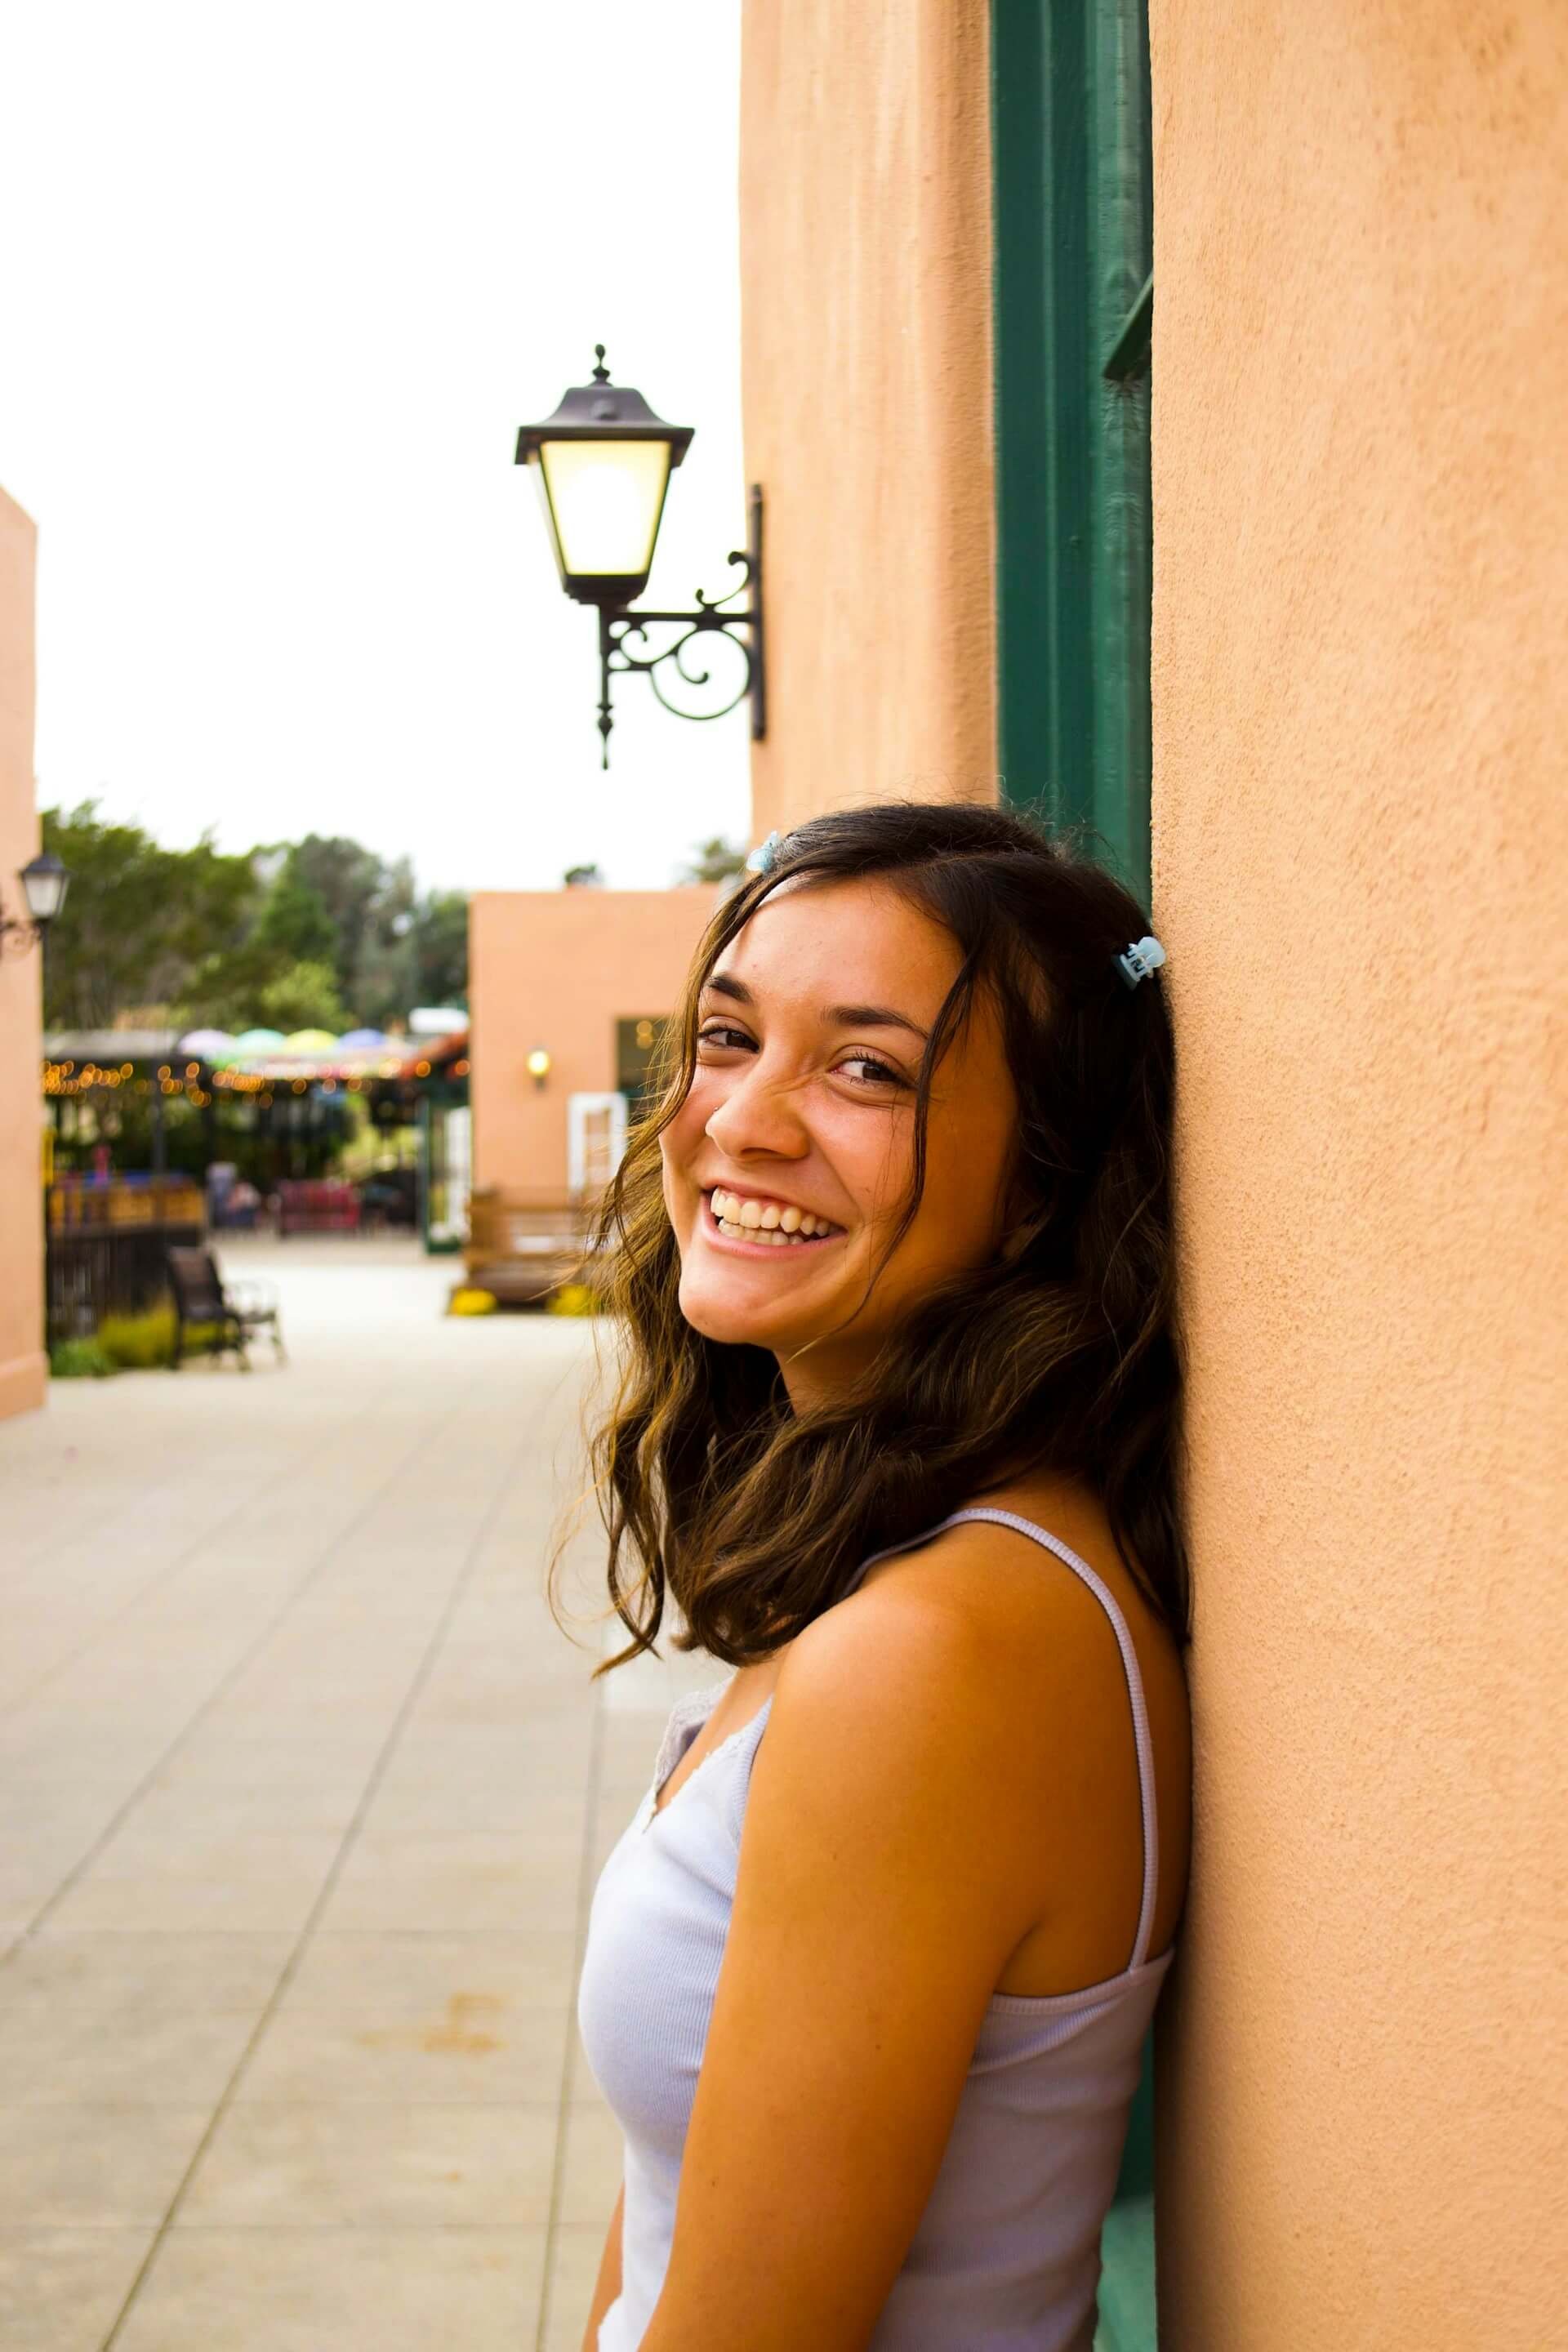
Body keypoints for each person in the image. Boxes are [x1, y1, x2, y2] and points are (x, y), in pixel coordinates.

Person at [563, 800, 1192, 2352]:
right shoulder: (919, 1559)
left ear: (1038, 1188)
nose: (742, 1122)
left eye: (866, 1069)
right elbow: (672, 2217)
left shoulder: (935, 1650)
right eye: (726, 1037)